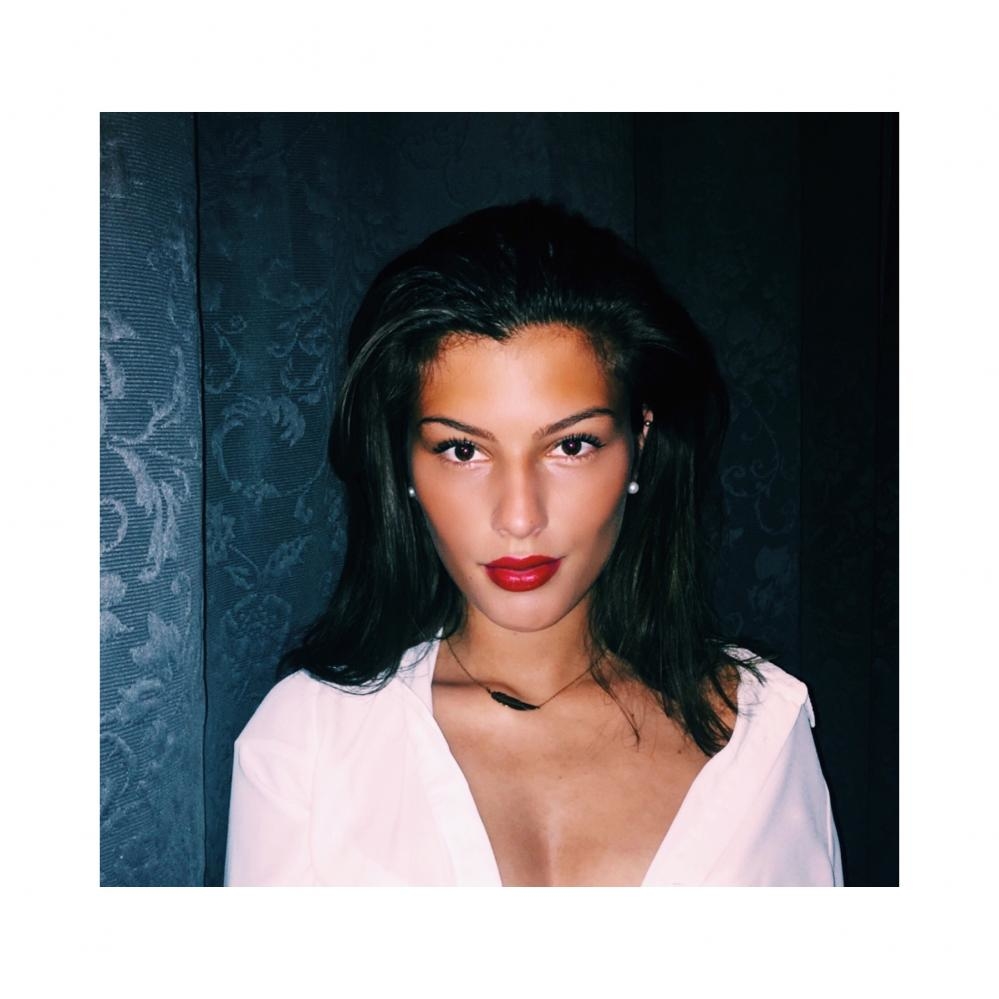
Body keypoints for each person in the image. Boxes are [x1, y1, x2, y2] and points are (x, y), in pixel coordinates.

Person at [224, 200, 842, 887]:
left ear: (639, 441)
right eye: (463, 450)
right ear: (403, 464)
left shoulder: (758, 728)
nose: (519, 518)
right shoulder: (307, 741)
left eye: (570, 445)